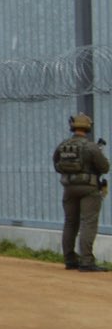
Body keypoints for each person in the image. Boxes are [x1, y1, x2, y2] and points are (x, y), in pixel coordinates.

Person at [53, 113, 108, 272]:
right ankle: (86, 261)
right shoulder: (91, 147)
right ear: (88, 127)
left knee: (70, 222)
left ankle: (70, 259)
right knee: (88, 222)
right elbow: (104, 168)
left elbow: (56, 164)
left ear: (73, 127)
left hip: (69, 188)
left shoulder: (63, 145)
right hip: (89, 189)